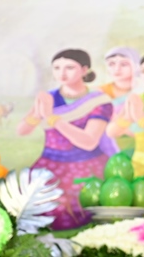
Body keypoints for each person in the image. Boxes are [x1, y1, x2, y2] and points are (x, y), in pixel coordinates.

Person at [17, 49, 113, 230]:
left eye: (69, 68)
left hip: (85, 166)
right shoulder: (49, 98)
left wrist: (52, 118)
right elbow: (22, 130)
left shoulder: (98, 101)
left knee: (70, 209)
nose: (62, 73)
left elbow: (89, 142)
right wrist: (37, 113)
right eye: (57, 68)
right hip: (48, 164)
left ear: (84, 70)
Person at [99, 46, 141, 154]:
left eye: (124, 64)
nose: (117, 69)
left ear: (136, 66)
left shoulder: (143, 89)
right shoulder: (100, 92)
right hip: (108, 145)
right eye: (111, 64)